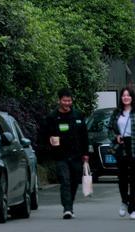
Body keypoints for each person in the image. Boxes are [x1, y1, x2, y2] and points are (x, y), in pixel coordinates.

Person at [40, 88, 90, 219]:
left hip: (77, 155)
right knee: (65, 180)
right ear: (59, 100)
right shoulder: (52, 117)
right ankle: (67, 208)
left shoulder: (78, 116)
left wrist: (86, 153)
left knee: (74, 181)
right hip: (60, 155)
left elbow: (84, 136)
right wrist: (50, 141)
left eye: (69, 100)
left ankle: (70, 204)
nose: (67, 103)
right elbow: (44, 135)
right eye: (64, 100)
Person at [107, 87, 135, 220]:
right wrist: (116, 136)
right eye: (123, 95)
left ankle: (133, 209)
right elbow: (110, 129)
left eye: (128, 95)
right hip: (122, 146)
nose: (126, 97)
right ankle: (125, 201)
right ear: (121, 98)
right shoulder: (117, 113)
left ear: (132, 97)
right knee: (122, 178)